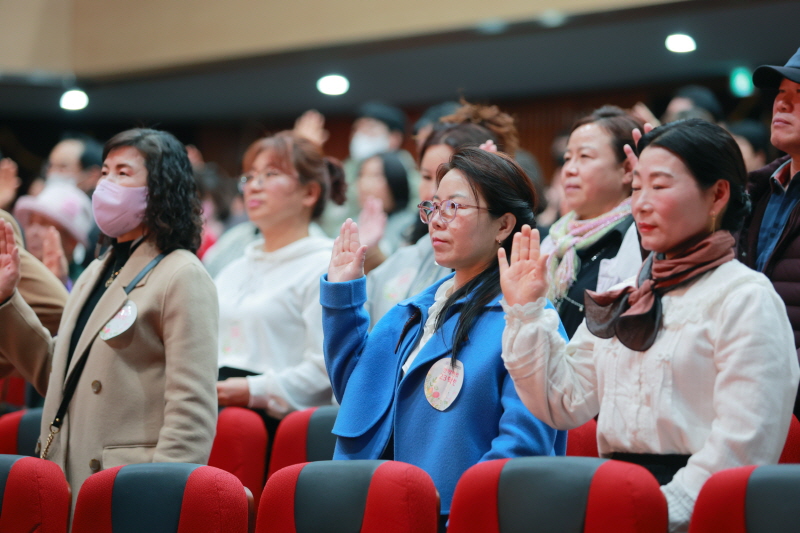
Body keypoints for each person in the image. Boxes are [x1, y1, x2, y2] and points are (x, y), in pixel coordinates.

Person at [499, 119, 799, 533]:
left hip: (702, 513)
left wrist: (652, 514)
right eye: (636, 187)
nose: (640, 203)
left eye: (659, 186)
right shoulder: (629, 292)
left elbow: (741, 447)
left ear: (717, 195)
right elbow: (562, 401)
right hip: (618, 501)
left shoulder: (746, 297)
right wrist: (527, 311)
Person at [322, 147, 568, 530]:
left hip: (452, 516)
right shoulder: (416, 308)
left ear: (504, 226)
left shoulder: (529, 320)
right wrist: (343, 296)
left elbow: (524, 447)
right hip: (366, 505)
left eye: (454, 208)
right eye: (433, 207)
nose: (436, 220)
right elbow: (356, 396)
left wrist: (467, 517)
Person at [0, 128, 219, 506]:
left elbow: (192, 408)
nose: (106, 184)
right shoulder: (96, 271)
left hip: (128, 486)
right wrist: (7, 301)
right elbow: (58, 374)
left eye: (123, 173)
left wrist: (160, 494)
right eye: (104, 172)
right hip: (65, 472)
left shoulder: (182, 273)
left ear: (161, 188)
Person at [214, 131, 345, 441]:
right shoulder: (233, 268)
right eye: (249, 176)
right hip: (217, 409)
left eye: (270, 174)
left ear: (309, 193)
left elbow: (326, 371)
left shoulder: (327, 265)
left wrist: (251, 390)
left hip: (281, 425)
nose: (254, 185)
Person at [365, 101, 519, 324]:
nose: (432, 191)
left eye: (445, 179)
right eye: (426, 177)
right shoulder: (414, 250)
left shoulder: (501, 273)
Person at [542, 106, 644, 337]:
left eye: (584, 156)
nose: (569, 169)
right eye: (567, 158)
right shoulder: (555, 238)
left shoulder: (638, 236)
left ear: (627, 168)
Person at [738, 46, 800, 418]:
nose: (782, 105)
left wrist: (779, 382)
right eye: (780, 94)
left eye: (799, 96)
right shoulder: (755, 190)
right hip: (747, 395)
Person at [13, 179, 94, 286]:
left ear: (71, 242)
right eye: (31, 222)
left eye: (44, 224)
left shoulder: (83, 286)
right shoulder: (14, 272)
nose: (33, 231)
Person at [356, 151, 415, 271]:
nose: (364, 184)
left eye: (375, 176)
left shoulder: (411, 225)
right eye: (361, 175)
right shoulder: (353, 223)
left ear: (395, 179)